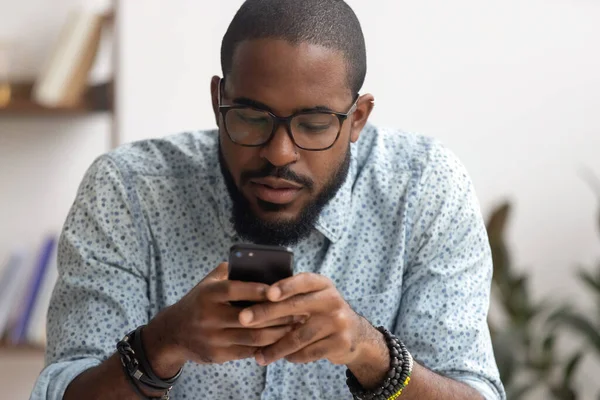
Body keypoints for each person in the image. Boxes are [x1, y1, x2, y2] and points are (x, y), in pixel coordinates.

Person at [31, 0, 505, 399]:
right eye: (253, 118)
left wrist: (371, 353)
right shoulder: (128, 190)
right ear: (219, 100)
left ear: (357, 118)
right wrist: (161, 343)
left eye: (314, 125)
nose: (280, 153)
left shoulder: (423, 188)